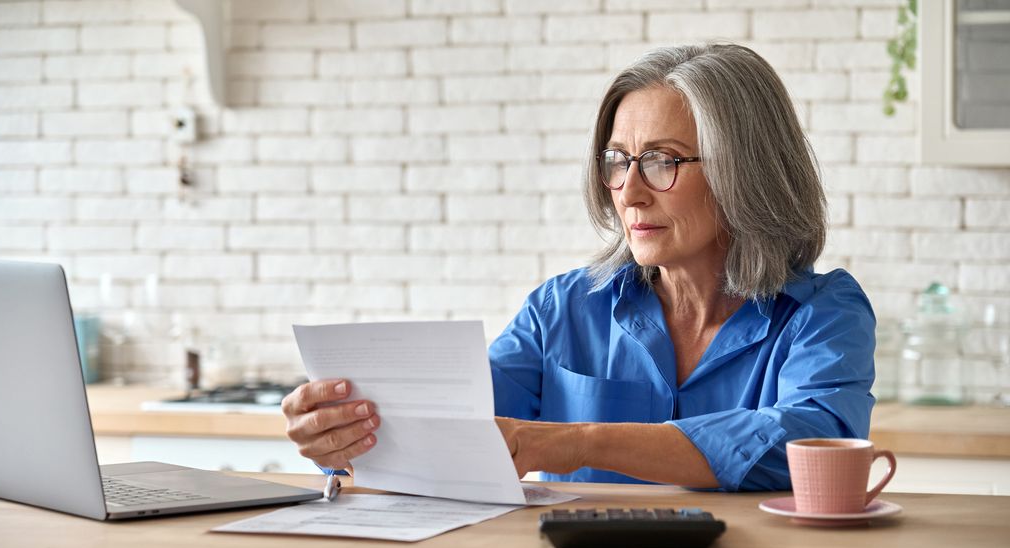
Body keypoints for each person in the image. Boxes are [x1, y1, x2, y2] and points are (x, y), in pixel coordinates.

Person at [281, 44, 876, 492]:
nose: (629, 192)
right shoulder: (560, 311)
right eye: (618, 161)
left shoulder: (822, 313)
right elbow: (451, 427)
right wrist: (340, 437)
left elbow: (811, 444)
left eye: (662, 161)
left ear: (744, 172)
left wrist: (577, 441)